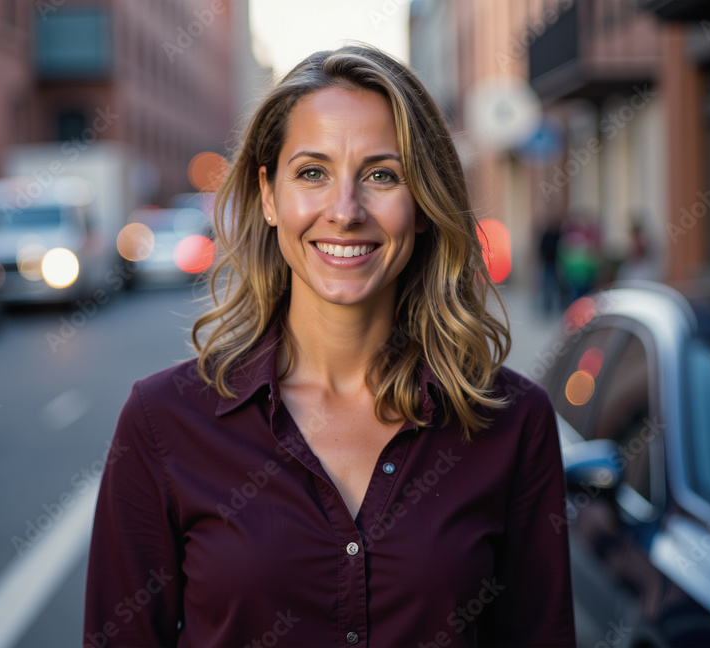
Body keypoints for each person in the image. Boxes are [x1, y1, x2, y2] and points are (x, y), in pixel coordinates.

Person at [83, 44, 575, 647]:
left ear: (423, 205)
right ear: (269, 195)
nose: (345, 212)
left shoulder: (512, 422)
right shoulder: (163, 422)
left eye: (382, 175)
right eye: (312, 173)